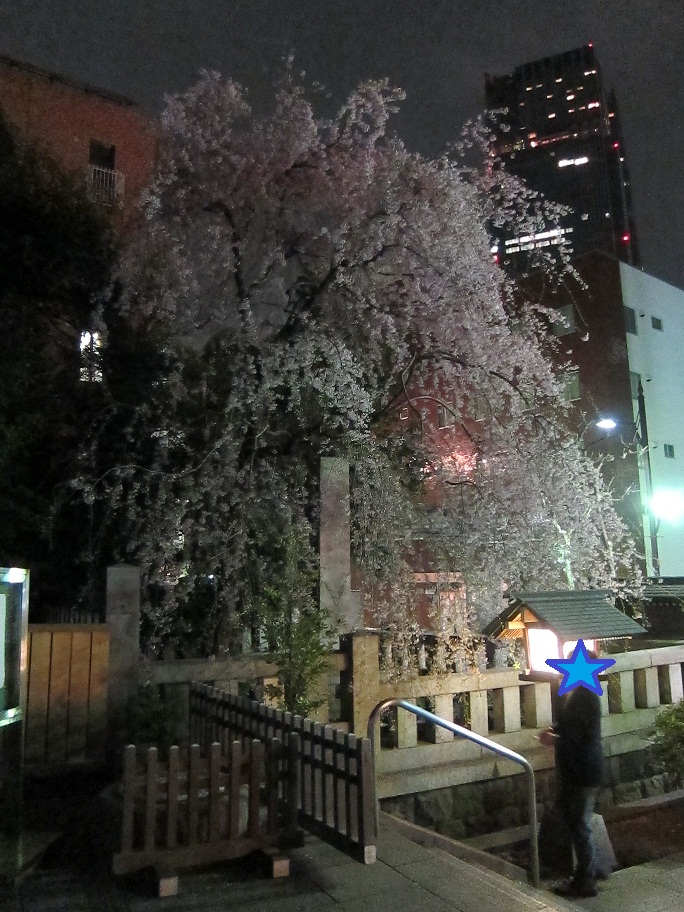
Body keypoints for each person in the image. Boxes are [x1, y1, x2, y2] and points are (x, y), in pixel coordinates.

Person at [539, 681, 603, 898]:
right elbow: (570, 726)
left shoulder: (585, 696)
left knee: (580, 825)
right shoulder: (577, 694)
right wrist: (554, 730)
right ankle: (585, 873)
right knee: (577, 823)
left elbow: (577, 736)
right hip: (577, 770)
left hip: (582, 770)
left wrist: (554, 738)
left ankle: (587, 878)